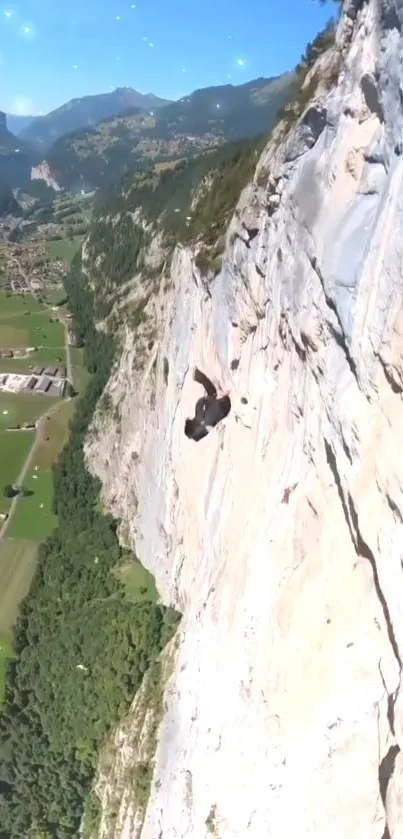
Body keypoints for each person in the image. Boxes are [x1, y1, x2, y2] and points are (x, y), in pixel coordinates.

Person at [184, 367, 231, 442]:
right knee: (212, 392)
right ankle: (196, 374)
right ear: (191, 423)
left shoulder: (204, 432)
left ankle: (196, 374)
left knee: (211, 409)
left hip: (226, 410)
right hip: (225, 401)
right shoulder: (198, 408)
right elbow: (204, 400)